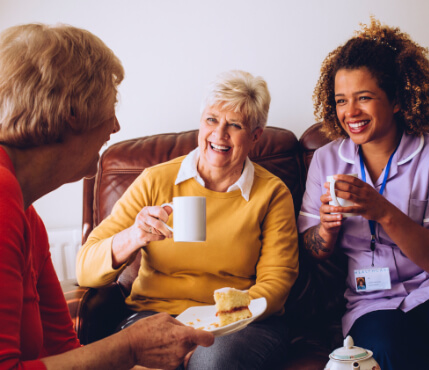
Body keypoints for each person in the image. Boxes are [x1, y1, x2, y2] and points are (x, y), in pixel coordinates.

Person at [298, 18, 429, 370]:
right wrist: (325, 231)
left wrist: (383, 211)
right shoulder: (325, 160)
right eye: (341, 101)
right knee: (380, 354)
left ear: (397, 100)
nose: (350, 113)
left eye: (364, 98)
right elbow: (313, 249)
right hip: (373, 299)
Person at [0, 23, 214, 370]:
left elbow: (63, 349)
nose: (115, 126)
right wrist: (130, 347)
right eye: (109, 107)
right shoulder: (2, 198)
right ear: (73, 111)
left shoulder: (26, 215)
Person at [76, 69, 299, 369]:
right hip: (154, 315)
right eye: (211, 120)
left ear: (256, 135)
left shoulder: (272, 193)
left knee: (212, 361)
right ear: (200, 122)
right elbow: (85, 268)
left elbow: (276, 284)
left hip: (239, 324)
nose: (219, 134)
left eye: (234, 125)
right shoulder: (155, 181)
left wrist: (211, 323)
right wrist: (134, 236)